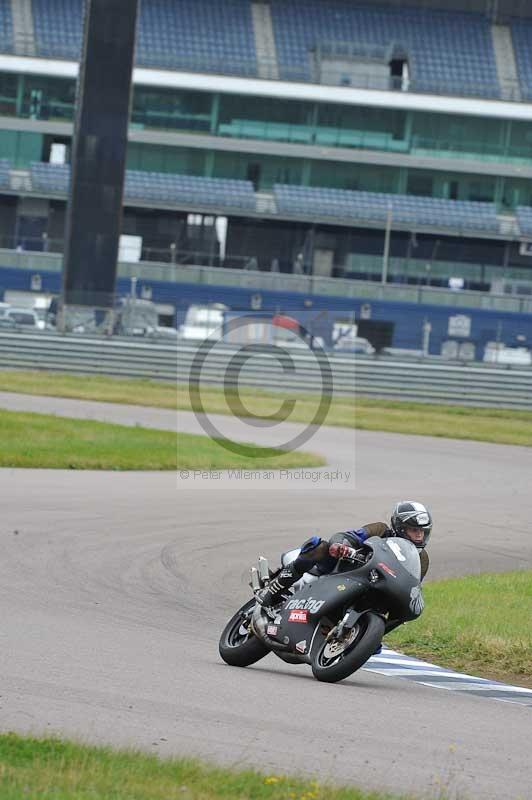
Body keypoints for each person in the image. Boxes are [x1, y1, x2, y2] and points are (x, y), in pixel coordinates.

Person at [258, 501, 432, 645]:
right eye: (414, 530)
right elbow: (350, 536)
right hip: (345, 568)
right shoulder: (380, 530)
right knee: (319, 547)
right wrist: (342, 545)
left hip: (376, 585)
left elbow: (412, 586)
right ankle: (273, 589)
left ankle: (370, 639)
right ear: (401, 527)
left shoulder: (421, 559)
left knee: (400, 610)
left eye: (422, 531)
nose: (419, 536)